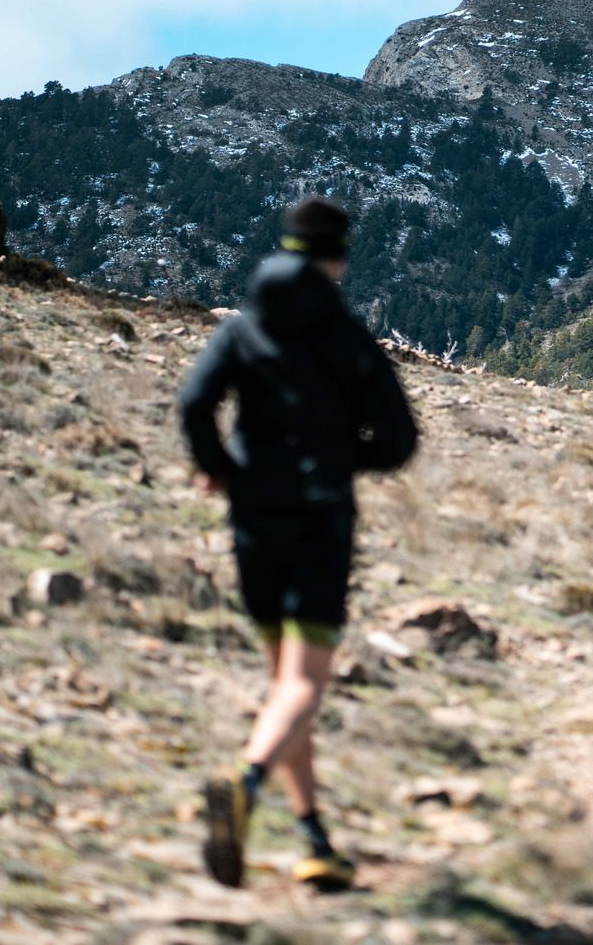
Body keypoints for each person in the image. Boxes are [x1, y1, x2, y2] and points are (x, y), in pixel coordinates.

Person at [178, 197, 417, 891]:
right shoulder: (349, 337)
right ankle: (245, 782)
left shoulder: (242, 328)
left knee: (284, 686)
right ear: (337, 258)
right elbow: (399, 440)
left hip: (253, 517)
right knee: (304, 684)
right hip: (320, 522)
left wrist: (220, 465)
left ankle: (314, 837)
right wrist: (341, 460)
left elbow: (193, 403)